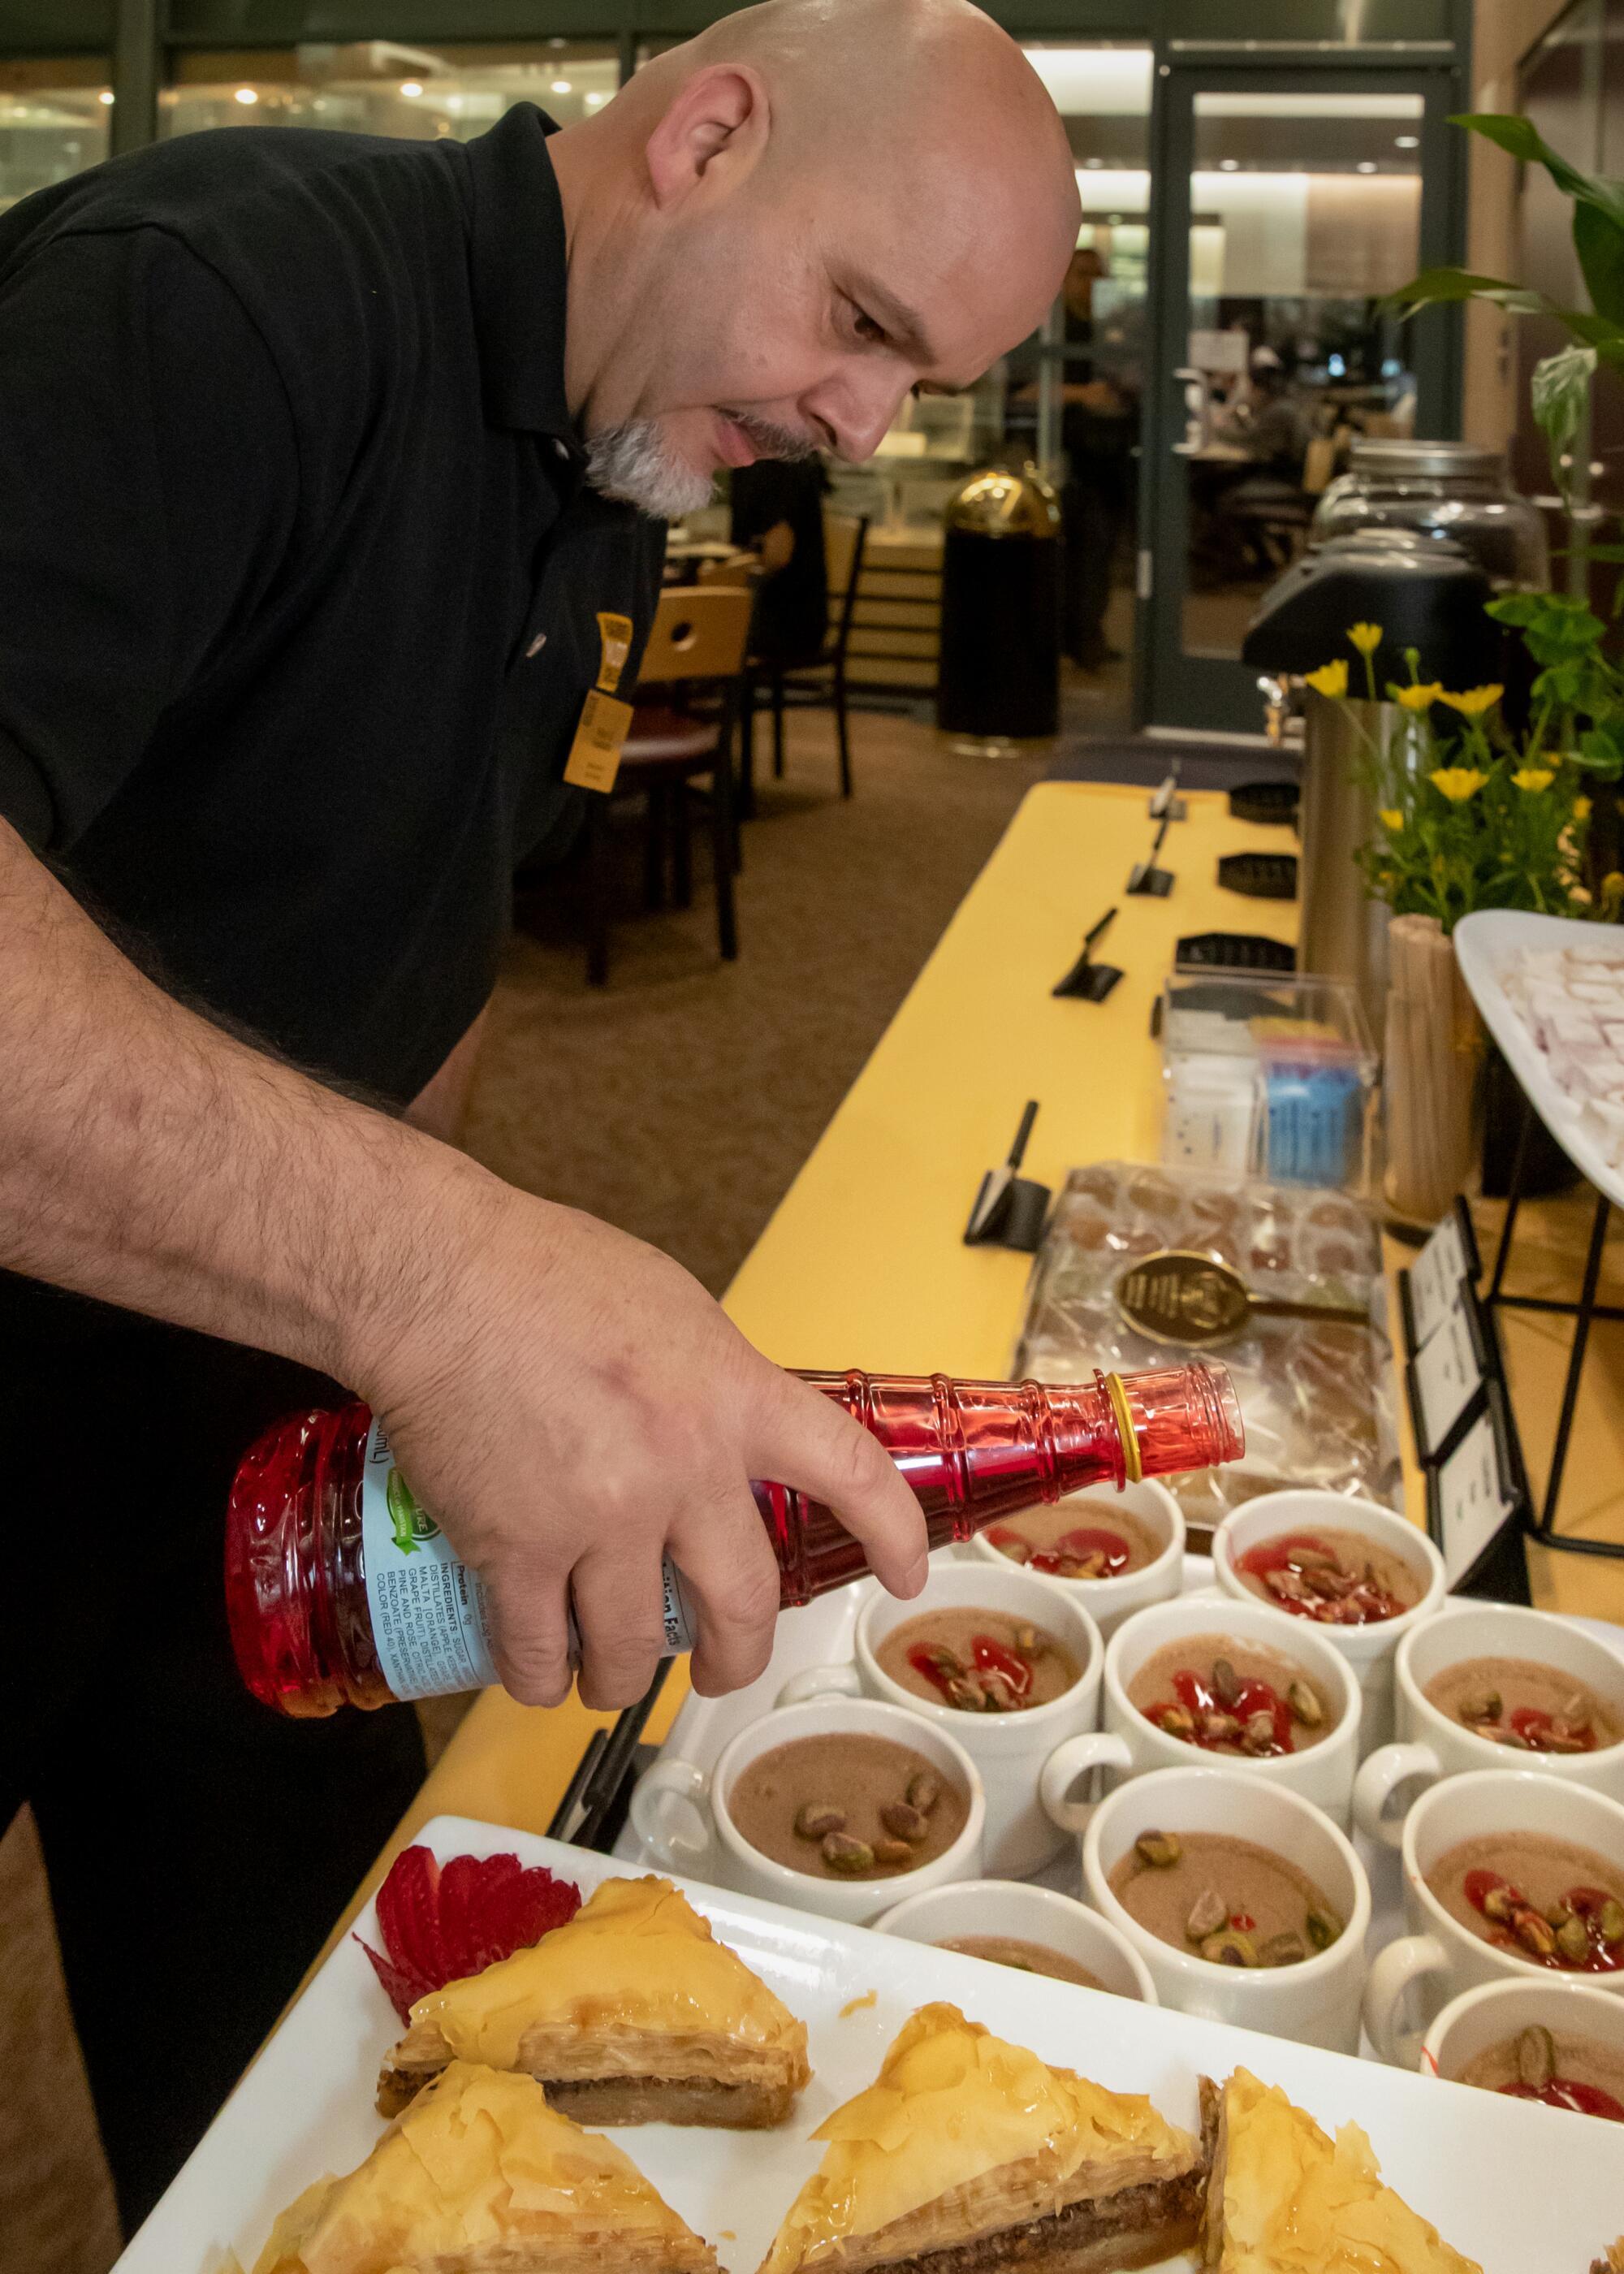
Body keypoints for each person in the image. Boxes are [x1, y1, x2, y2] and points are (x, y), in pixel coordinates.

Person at [0, 0, 1081, 2228]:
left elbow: (420, 945)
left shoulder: (617, 453)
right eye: (860, 323)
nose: (862, 428)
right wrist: (433, 1273)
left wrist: (452, 1361)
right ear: (708, 135)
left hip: (253, 1436)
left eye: (922, 387)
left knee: (316, 2108)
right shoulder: (216, 304)